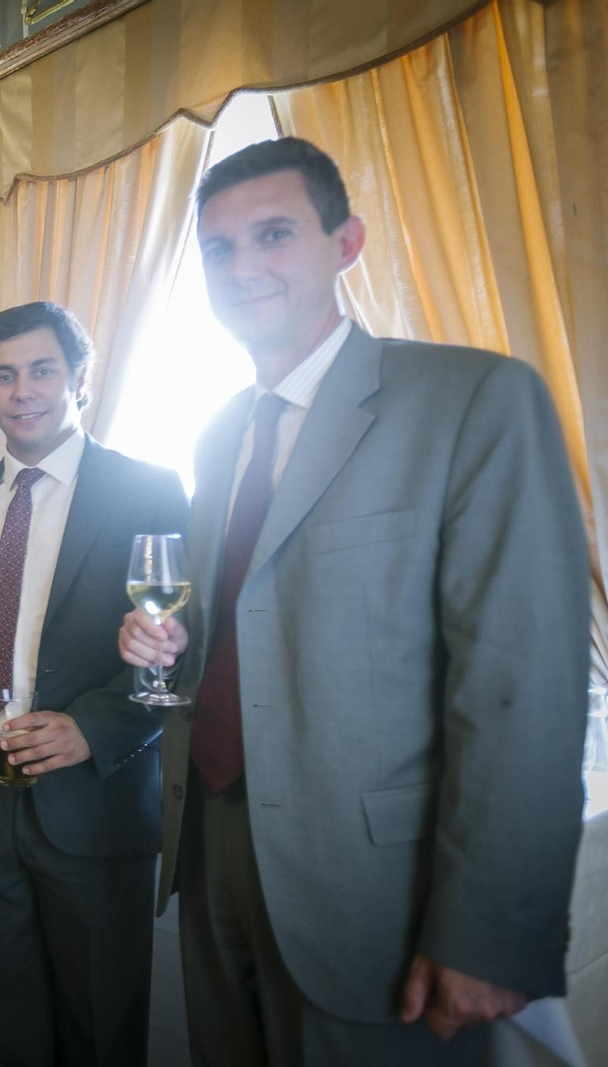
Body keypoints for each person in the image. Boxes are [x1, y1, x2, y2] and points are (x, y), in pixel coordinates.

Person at [117, 137, 589, 1066]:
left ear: (346, 243)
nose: (242, 265)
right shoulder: (217, 437)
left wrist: (489, 932)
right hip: (209, 841)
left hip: (376, 884)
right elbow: (245, 624)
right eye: (219, 248)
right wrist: (164, 641)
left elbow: (520, 688)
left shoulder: (471, 399)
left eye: (274, 234)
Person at [0, 301, 188, 1065]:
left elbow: (172, 650)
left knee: (100, 1018)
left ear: (79, 381)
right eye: (3, 375)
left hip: (93, 799)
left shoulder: (149, 490)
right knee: (7, 1016)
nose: (22, 390)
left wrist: (92, 727)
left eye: (41, 370)